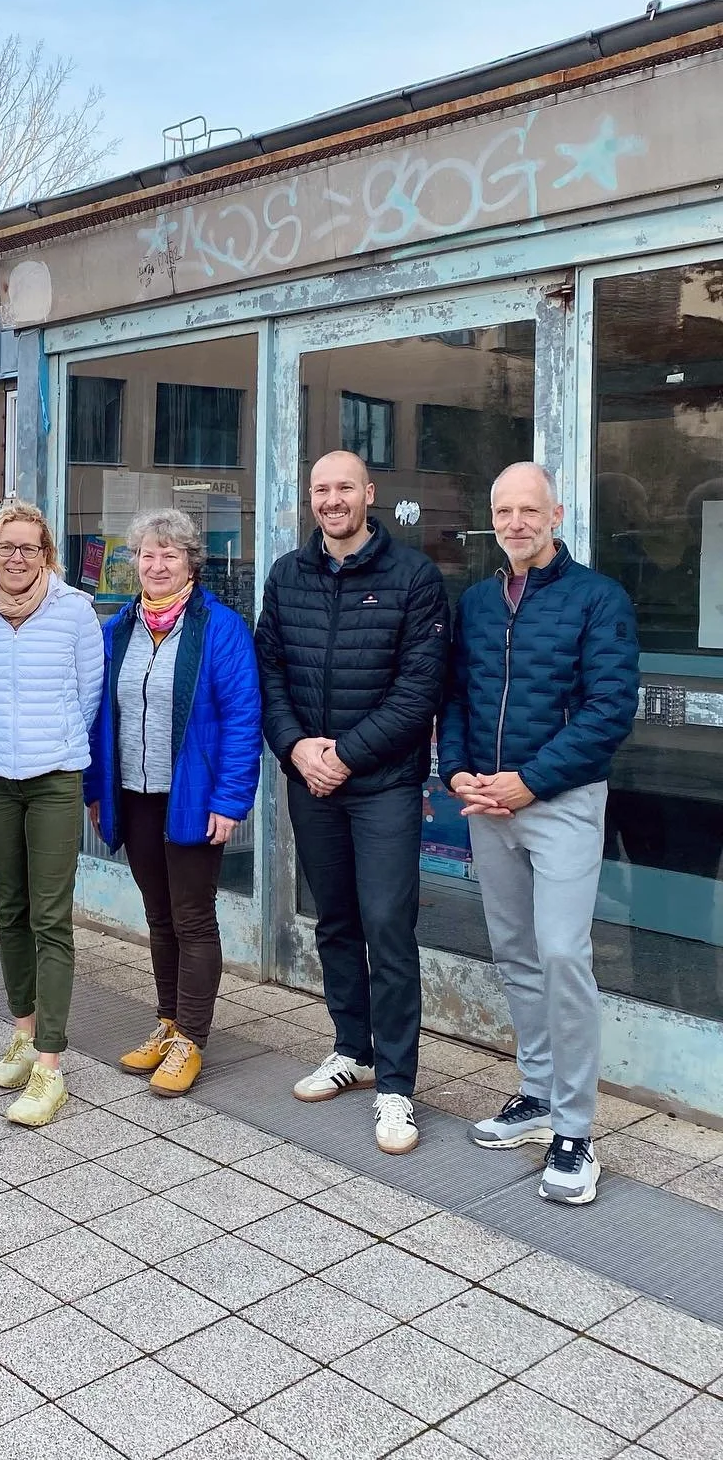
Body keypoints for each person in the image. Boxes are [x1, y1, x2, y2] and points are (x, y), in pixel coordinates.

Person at [439, 461, 639, 1205]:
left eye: (529, 510)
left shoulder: (598, 598)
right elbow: (458, 696)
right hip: (487, 804)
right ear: (491, 519)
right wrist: (457, 771)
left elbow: (608, 710)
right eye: (504, 511)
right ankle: (538, 1093)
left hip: (561, 802)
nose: (516, 523)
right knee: (516, 953)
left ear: (556, 515)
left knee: (561, 953)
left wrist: (529, 780)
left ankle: (576, 1130)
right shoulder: (479, 602)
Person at [255, 450, 449, 1155]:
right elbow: (269, 672)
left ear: (369, 493)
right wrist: (296, 748)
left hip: (383, 785)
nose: (332, 500)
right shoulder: (287, 575)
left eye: (344, 487)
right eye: (320, 489)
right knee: (335, 920)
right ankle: (352, 1049)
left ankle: (396, 1085)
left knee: (388, 926)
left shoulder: (414, 577)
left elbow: (420, 690)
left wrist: (344, 755)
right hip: (312, 780)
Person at [86, 509, 262, 1097]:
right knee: (158, 916)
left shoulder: (220, 628)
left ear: (191, 562)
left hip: (193, 797)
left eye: (170, 554)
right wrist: (96, 790)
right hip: (134, 796)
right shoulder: (119, 628)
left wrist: (230, 800)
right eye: (147, 554)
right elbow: (99, 718)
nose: (157, 565)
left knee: (193, 917)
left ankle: (192, 1037)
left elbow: (242, 720)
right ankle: (168, 1022)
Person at [0, 502, 104, 1127]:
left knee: (50, 915)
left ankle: (51, 1065)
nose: (17, 558)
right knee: (8, 908)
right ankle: (23, 1030)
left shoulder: (75, 611)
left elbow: (88, 694)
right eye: (6, 546)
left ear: (46, 555)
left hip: (55, 777)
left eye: (29, 548)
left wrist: (52, 743)